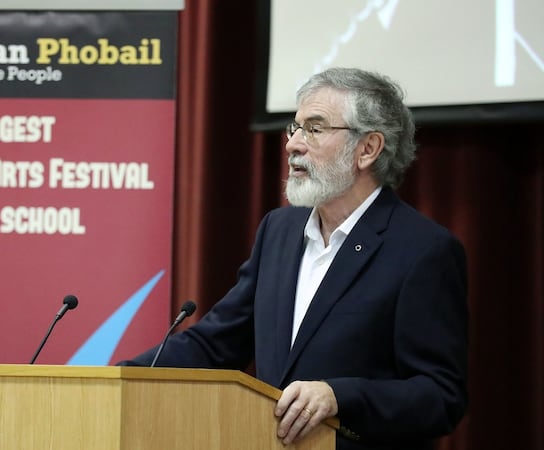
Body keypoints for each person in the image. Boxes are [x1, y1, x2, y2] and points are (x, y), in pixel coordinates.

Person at [119, 67, 468, 450]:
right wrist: (120, 378)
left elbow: (440, 396)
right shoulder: (279, 230)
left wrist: (338, 396)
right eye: (295, 128)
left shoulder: (422, 250)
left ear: (368, 149)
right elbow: (216, 343)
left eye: (315, 129)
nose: (293, 145)